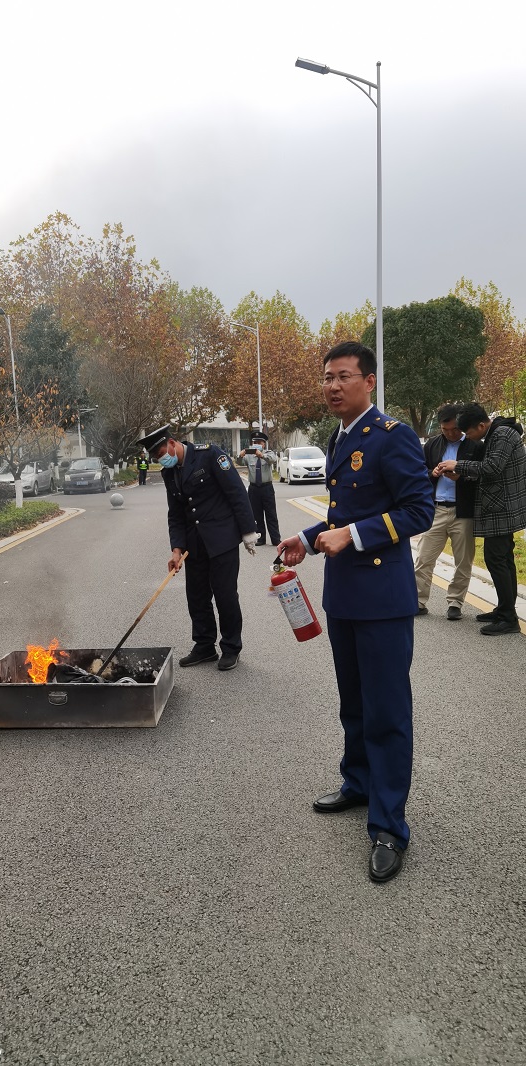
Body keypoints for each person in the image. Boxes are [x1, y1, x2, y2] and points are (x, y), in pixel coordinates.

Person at [277, 341, 434, 884]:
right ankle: (359, 783)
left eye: (344, 376)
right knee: (355, 703)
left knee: (387, 712)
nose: (333, 385)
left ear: (369, 381)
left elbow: (419, 509)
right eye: (327, 377)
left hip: (382, 599)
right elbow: (343, 512)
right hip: (344, 596)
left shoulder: (393, 436)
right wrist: (306, 538)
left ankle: (389, 825)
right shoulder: (340, 436)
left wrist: (355, 535)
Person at [136, 425, 258, 671]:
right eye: (157, 458)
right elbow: (176, 513)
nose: (161, 460)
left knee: (225, 596)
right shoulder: (170, 473)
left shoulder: (210, 455)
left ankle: (231, 647)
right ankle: (204, 646)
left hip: (222, 539)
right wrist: (176, 550)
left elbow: (236, 492)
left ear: (172, 443)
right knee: (197, 596)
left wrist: (248, 532)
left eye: (161, 454)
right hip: (194, 545)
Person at [437, 402, 526, 635]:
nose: (468, 437)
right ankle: (504, 609)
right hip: (499, 507)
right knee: (502, 560)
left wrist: (459, 465)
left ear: (481, 425)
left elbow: (493, 467)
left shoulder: (502, 434)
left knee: (497, 560)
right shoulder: (496, 433)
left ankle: (508, 619)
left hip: (503, 509)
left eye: (468, 433)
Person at [414, 404, 482, 620]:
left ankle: (455, 602)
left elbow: (483, 475)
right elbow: (418, 472)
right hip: (436, 509)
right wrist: (432, 473)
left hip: (463, 512)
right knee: (424, 558)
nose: (451, 434)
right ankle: (418, 601)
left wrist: (462, 475)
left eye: (454, 429)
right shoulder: (432, 444)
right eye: (445, 430)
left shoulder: (475, 445)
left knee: (463, 561)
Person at [238, 431, 281, 546]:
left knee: (271, 514)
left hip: (267, 487)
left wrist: (261, 455)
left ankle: (276, 539)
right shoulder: (249, 456)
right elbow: (239, 462)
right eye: (255, 442)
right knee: (257, 515)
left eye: (259, 442)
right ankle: (261, 538)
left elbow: (272, 460)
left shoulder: (268, 453)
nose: (257, 444)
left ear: (264, 444)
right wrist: (240, 455)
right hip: (254, 489)